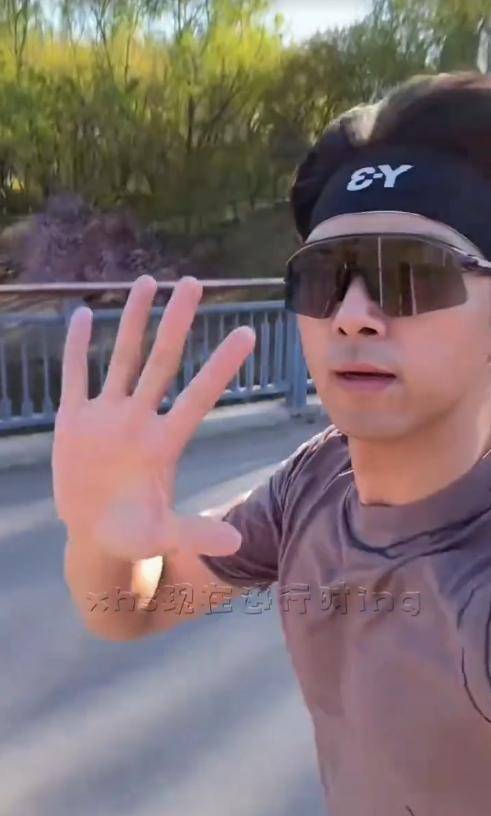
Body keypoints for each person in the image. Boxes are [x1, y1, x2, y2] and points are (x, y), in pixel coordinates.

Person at [53, 70, 491, 815]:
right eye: (324, 278)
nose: (352, 314)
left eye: (411, 274)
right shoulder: (311, 482)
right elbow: (129, 609)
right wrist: (100, 538)